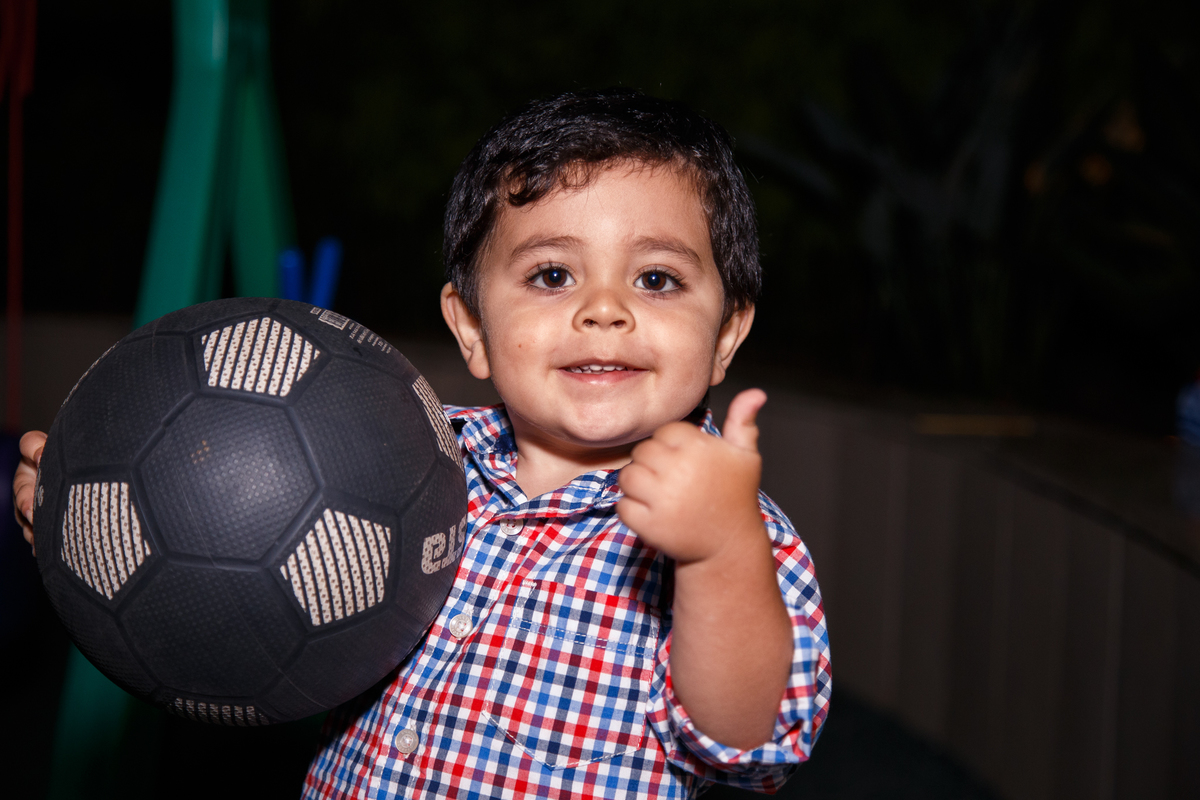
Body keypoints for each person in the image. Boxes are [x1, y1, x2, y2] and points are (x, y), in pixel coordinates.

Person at [13, 88, 832, 798]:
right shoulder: (393, 449)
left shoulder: (738, 531)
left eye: (657, 279)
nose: (604, 309)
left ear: (726, 336)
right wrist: (97, 513)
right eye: (552, 275)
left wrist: (718, 555)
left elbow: (750, 741)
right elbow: (233, 561)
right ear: (471, 328)